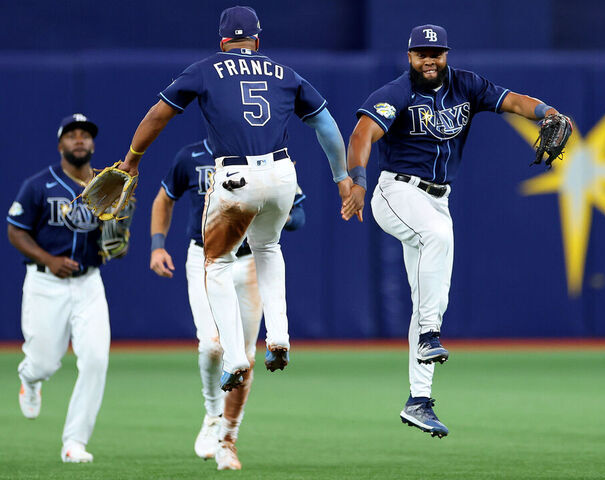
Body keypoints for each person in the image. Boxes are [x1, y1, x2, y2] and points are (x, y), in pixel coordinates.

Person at [341, 24, 571, 438]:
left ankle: (419, 400)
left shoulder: (467, 85)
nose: (430, 59)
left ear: (447, 54)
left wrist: (548, 113)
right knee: (439, 240)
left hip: (437, 200)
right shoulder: (397, 93)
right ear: (409, 57)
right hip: (396, 192)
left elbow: (516, 101)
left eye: (437, 52)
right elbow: (362, 133)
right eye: (422, 53)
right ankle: (430, 334)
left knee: (429, 292)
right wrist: (357, 179)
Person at [116, 5, 351, 391]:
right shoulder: (284, 72)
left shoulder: (206, 69)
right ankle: (278, 337)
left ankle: (235, 355)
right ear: (257, 40)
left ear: (223, 40)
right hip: (282, 174)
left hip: (236, 175)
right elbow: (324, 122)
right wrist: (342, 178)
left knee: (217, 263)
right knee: (269, 248)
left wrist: (132, 160)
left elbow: (159, 114)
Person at [149, 138, 306, 470]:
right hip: (205, 258)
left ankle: (227, 442)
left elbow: (299, 213)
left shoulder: (263, 158)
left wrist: (266, 213)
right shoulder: (189, 155)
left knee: (244, 358)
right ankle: (212, 413)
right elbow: (164, 199)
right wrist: (157, 245)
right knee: (211, 347)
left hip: (249, 261)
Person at [7, 114, 115, 462]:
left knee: (96, 360)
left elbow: (115, 237)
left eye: (85, 135)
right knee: (43, 363)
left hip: (89, 284)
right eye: (72, 135)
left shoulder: (106, 186)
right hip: (44, 282)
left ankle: (74, 443)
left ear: (93, 144)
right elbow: (16, 231)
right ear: (60, 145)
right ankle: (30, 377)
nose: (79, 139)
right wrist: (48, 258)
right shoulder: (38, 185)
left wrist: (116, 237)